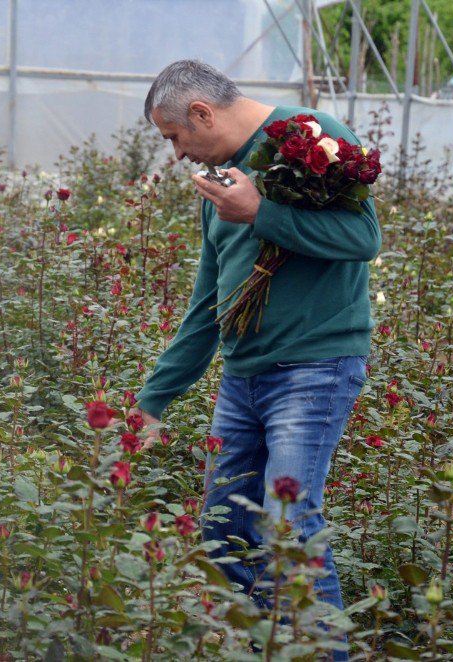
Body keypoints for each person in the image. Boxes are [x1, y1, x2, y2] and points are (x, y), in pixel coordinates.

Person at [129, 60, 380, 632]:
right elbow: (207, 306)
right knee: (221, 528)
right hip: (241, 380)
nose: (177, 154)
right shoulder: (218, 183)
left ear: (201, 113)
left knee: (288, 526)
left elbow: (364, 239)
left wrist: (262, 213)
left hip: (313, 370)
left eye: (175, 138)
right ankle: (249, 644)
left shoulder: (313, 136)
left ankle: (320, 650)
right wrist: (151, 403)